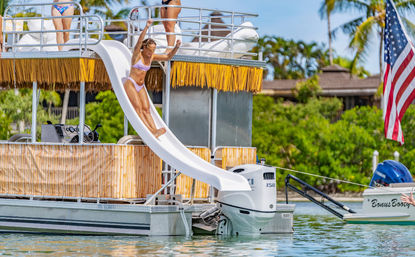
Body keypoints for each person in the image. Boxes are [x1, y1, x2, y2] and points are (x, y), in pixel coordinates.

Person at [124, 19, 181, 138]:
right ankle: (150, 130)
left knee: (146, 109)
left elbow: (168, 56)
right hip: (131, 84)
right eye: (149, 50)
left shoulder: (152, 57)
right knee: (138, 109)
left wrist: (176, 46)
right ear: (144, 48)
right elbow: (139, 42)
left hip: (140, 86)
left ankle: (154, 130)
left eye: (153, 50)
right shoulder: (137, 55)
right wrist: (146, 27)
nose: (151, 53)